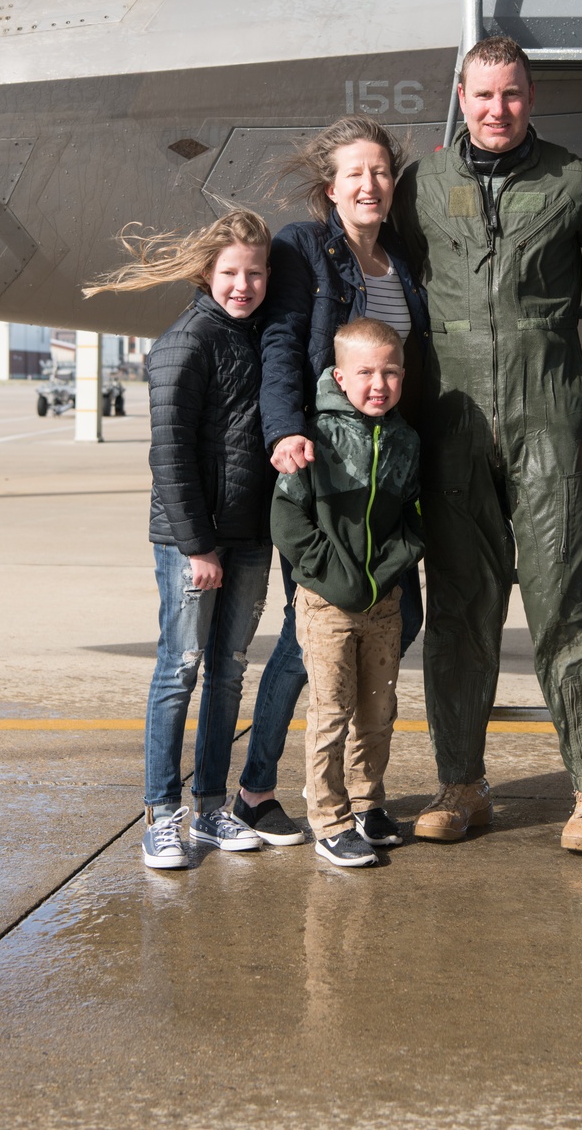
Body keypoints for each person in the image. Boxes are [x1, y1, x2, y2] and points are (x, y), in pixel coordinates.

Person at [394, 35, 582, 854]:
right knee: (459, 608)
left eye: (513, 95)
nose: (498, 111)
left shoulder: (576, 183)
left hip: (549, 416)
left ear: (533, 97)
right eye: (484, 96)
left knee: (564, 601)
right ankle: (461, 785)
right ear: (461, 97)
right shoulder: (421, 186)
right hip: (451, 419)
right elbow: (384, 284)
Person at [230, 116, 429, 846]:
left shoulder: (400, 258)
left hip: (385, 476)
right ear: (330, 187)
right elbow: (283, 343)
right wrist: (286, 430)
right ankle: (257, 787)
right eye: (356, 174)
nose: (371, 185)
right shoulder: (305, 248)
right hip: (325, 475)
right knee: (308, 639)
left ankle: (359, 792)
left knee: (398, 621)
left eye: (381, 172)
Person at [84, 211, 274, 869]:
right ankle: (163, 816)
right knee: (180, 669)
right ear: (205, 274)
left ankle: (213, 808)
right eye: (230, 273)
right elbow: (169, 456)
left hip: (250, 536)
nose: (243, 285)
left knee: (228, 674)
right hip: (194, 541)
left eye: (254, 273)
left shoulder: (257, 337)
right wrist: (198, 548)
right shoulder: (185, 343)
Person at [271, 318, 424, 868]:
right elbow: (287, 517)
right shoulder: (317, 438)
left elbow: (414, 514)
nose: (378, 384)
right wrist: (329, 574)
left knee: (378, 711)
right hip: (327, 605)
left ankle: (366, 802)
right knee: (331, 711)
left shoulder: (405, 441)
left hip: (384, 604)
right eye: (364, 373)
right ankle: (330, 820)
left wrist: (392, 567)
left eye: (389, 372)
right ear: (339, 376)